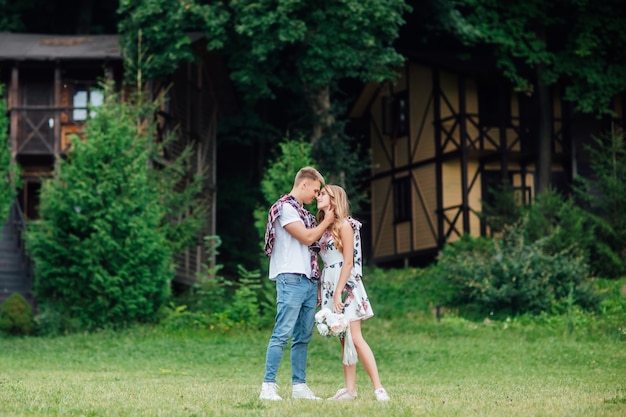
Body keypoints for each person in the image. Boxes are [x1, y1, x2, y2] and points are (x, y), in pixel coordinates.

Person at [259, 166, 335, 401]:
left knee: (303, 336)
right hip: (290, 277)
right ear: (303, 184)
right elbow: (308, 237)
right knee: (282, 333)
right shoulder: (285, 209)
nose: (316, 195)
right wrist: (328, 220)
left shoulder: (305, 214)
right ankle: (268, 386)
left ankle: (299, 386)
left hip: (309, 280)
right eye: (314, 190)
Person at [316, 184, 390, 402]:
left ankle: (378, 388)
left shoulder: (345, 225)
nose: (318, 197)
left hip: (345, 283)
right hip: (329, 283)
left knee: (355, 337)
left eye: (322, 194)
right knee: (343, 337)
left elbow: (348, 261)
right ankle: (350, 389)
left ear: (334, 199)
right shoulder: (324, 226)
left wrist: (339, 291)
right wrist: (324, 291)